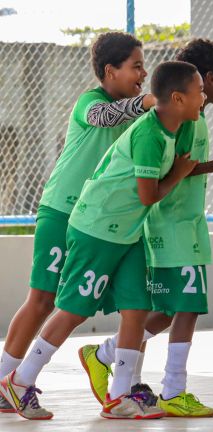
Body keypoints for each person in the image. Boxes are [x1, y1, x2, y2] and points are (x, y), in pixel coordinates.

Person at [0, 61, 205, 420]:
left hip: (125, 232)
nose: (203, 97)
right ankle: (17, 380)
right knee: (70, 307)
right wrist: (178, 173)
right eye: (198, 90)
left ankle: (118, 394)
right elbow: (147, 194)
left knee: (136, 308)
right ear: (176, 97)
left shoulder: (170, 130)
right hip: (95, 226)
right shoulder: (143, 130)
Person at [78, 38, 213, 418]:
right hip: (172, 224)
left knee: (170, 309)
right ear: (207, 79)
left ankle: (109, 359)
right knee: (185, 309)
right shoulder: (186, 120)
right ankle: (173, 388)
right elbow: (173, 168)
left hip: (181, 224)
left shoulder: (194, 116)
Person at [0, 32, 155, 413]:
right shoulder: (92, 101)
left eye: (144, 65)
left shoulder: (140, 117)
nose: (143, 72)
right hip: (63, 212)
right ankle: (6, 378)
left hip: (104, 223)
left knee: (134, 306)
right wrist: (149, 101)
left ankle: (124, 386)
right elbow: (105, 117)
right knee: (42, 300)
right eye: (135, 65)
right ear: (109, 71)